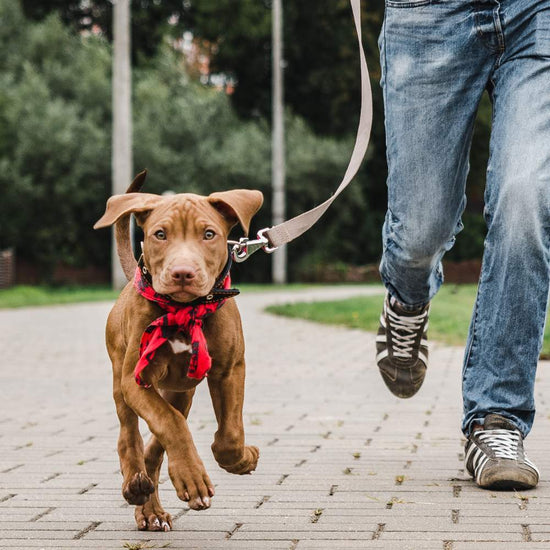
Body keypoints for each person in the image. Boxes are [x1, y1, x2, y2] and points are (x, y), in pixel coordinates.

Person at [375, 0, 549, 490]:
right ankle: (406, 302)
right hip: (426, 15)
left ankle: (497, 419)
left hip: (538, 13)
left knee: (527, 198)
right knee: (419, 233)